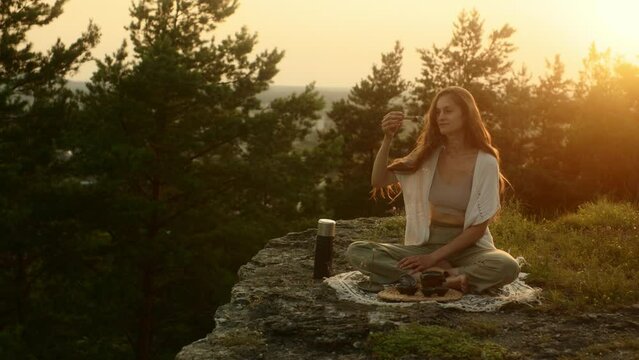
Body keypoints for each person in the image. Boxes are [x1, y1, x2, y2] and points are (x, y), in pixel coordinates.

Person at [346, 86, 520, 294]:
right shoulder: (428, 154)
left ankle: (430, 278)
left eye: (448, 111)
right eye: (437, 112)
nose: (440, 117)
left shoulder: (486, 162)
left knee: (507, 265)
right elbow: (379, 180)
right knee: (358, 251)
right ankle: (443, 279)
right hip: (427, 242)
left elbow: (478, 229)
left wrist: (432, 259)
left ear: (466, 114)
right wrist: (387, 138)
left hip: (469, 248)